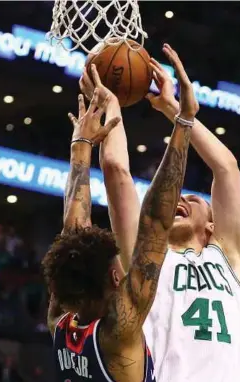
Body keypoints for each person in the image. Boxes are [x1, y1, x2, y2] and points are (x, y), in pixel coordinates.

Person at [84, 45, 240, 382]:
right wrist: (112, 106)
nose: (182, 197)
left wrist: (176, 110)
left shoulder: (230, 258)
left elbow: (227, 169)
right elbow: (116, 170)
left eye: (194, 198)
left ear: (211, 226)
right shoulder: (145, 256)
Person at [42, 68, 198, 382]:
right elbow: (154, 222)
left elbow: (74, 234)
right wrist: (183, 120)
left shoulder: (62, 321)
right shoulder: (116, 332)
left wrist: (83, 145)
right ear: (116, 277)